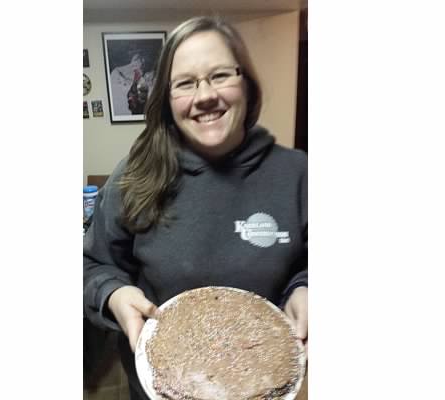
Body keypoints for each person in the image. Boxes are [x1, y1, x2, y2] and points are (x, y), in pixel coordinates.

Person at [84, 15, 307, 400]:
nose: (205, 95)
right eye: (185, 83)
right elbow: (90, 264)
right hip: (160, 385)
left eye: (220, 75)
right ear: (166, 99)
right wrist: (113, 295)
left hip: (261, 384)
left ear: (246, 83)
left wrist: (305, 287)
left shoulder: (298, 174)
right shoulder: (134, 176)